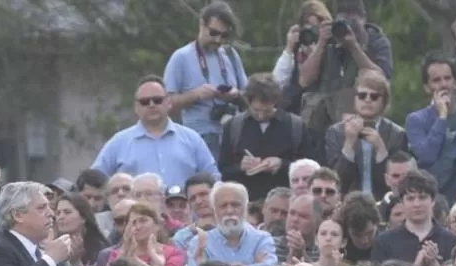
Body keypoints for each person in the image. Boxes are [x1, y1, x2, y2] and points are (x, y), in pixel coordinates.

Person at [91, 75, 220, 188]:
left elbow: (213, 179)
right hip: (137, 215)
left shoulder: (192, 139)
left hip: (183, 214)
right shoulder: (118, 142)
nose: (151, 105)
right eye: (144, 102)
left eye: (157, 100)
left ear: (168, 102)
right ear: (136, 107)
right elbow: (95, 181)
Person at [295, 0, 393, 136]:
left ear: (364, 18)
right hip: (322, 119)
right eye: (345, 22)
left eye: (354, 22)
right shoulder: (329, 37)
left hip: (361, 118)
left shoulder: (376, 40)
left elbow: (381, 80)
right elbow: (304, 81)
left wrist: (354, 48)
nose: (350, 28)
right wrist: (321, 44)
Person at [164, 1, 247, 154]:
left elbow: (249, 96)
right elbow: (166, 104)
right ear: (201, 24)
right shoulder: (181, 57)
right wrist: (195, 95)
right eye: (213, 33)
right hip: (198, 137)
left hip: (233, 135)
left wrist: (235, 95)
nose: (218, 40)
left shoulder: (231, 54)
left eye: (224, 36)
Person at [404, 55, 456, 204]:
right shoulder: (415, 120)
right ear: (426, 87)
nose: (443, 84)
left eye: (447, 78)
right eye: (436, 80)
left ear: (455, 82)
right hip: (428, 199)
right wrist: (442, 118)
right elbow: (426, 156)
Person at [217, 73, 309, 202]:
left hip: (284, 200)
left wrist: (282, 164)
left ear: (275, 103)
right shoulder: (233, 126)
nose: (261, 116)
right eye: (256, 110)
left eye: (267, 111)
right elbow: (222, 170)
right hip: (246, 201)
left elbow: (310, 166)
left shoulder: (295, 126)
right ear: (248, 102)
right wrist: (241, 167)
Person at [324, 69, 408, 200]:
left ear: (384, 101)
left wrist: (381, 149)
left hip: (386, 203)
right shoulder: (336, 132)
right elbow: (336, 182)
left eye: (374, 96)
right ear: (355, 99)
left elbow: (398, 182)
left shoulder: (397, 134)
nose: (367, 100)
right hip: (348, 203)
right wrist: (349, 144)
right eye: (362, 96)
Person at [185, 181, 277, 266]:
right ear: (214, 210)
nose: (229, 211)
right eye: (223, 206)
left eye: (235, 205)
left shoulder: (262, 239)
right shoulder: (200, 242)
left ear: (246, 208)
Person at [372, 170, 456, 266]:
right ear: (402, 202)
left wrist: (434, 264)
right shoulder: (384, 242)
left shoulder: (451, 241)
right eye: (410, 198)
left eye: (422, 197)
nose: (416, 204)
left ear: (433, 200)